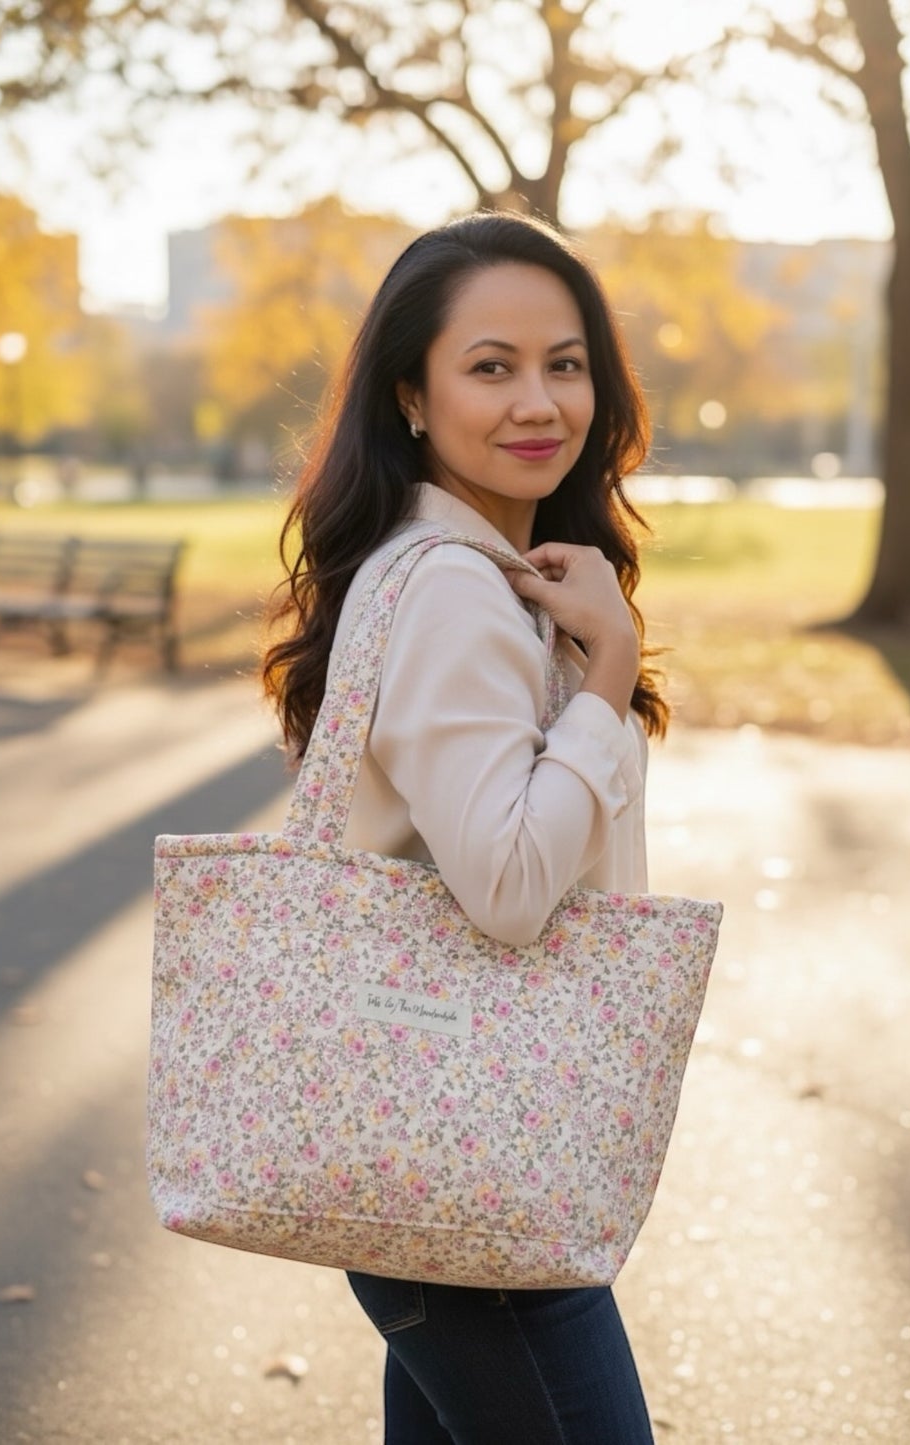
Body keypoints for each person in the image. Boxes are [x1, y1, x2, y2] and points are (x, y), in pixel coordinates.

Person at [262, 211, 669, 1445]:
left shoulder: (461, 567)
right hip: (474, 1182)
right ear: (413, 395)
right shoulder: (450, 587)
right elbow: (504, 884)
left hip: (435, 1153)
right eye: (489, 366)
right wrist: (608, 670)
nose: (537, 399)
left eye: (565, 362)